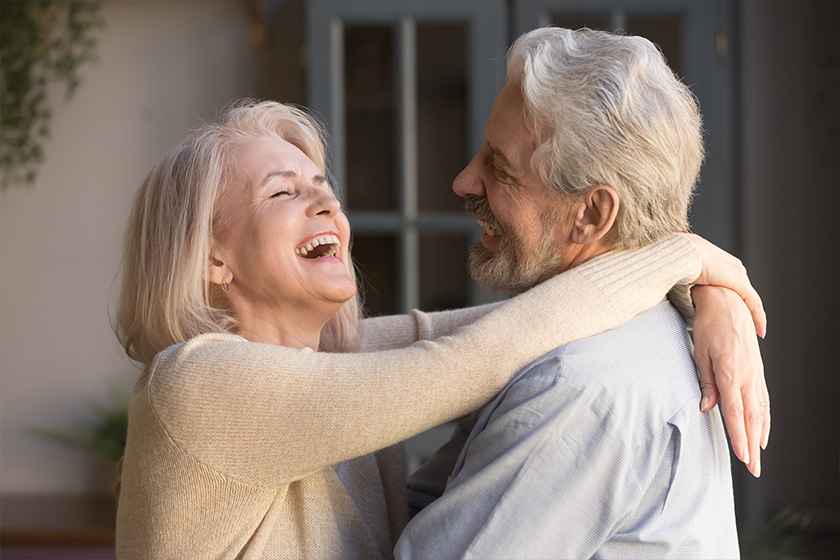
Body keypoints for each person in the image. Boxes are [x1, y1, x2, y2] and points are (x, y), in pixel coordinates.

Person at [114, 99, 765, 559]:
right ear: (210, 257)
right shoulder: (197, 384)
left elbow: (525, 322)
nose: (326, 204)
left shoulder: (333, 357)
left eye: (323, 186)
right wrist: (690, 258)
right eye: (283, 193)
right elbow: (479, 356)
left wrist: (711, 292)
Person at [395, 27, 757, 559]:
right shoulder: (613, 329)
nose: (464, 181)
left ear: (591, 214)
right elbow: (429, 504)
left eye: (499, 166)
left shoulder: (578, 385)